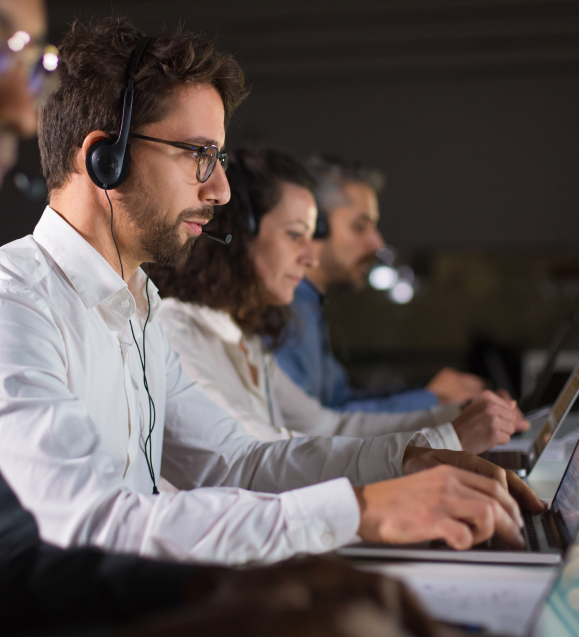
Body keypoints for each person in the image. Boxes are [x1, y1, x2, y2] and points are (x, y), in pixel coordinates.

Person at [0, 16, 543, 570]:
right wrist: (358, 512)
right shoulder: (14, 304)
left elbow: (239, 463)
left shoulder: (139, 307)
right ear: (104, 160)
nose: (220, 189)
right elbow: (83, 524)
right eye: (198, 155)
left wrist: (405, 464)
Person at [153, 146, 529, 454]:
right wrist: (445, 438)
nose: (311, 257)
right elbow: (256, 458)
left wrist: (451, 416)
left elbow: (330, 426)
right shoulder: (177, 331)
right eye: (295, 235)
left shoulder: (244, 337)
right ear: (240, 234)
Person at [275, 154, 513, 412]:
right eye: (360, 226)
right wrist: (430, 399)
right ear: (316, 226)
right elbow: (312, 425)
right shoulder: (284, 309)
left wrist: (430, 392)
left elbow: (340, 401)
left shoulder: (310, 306)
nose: (377, 243)